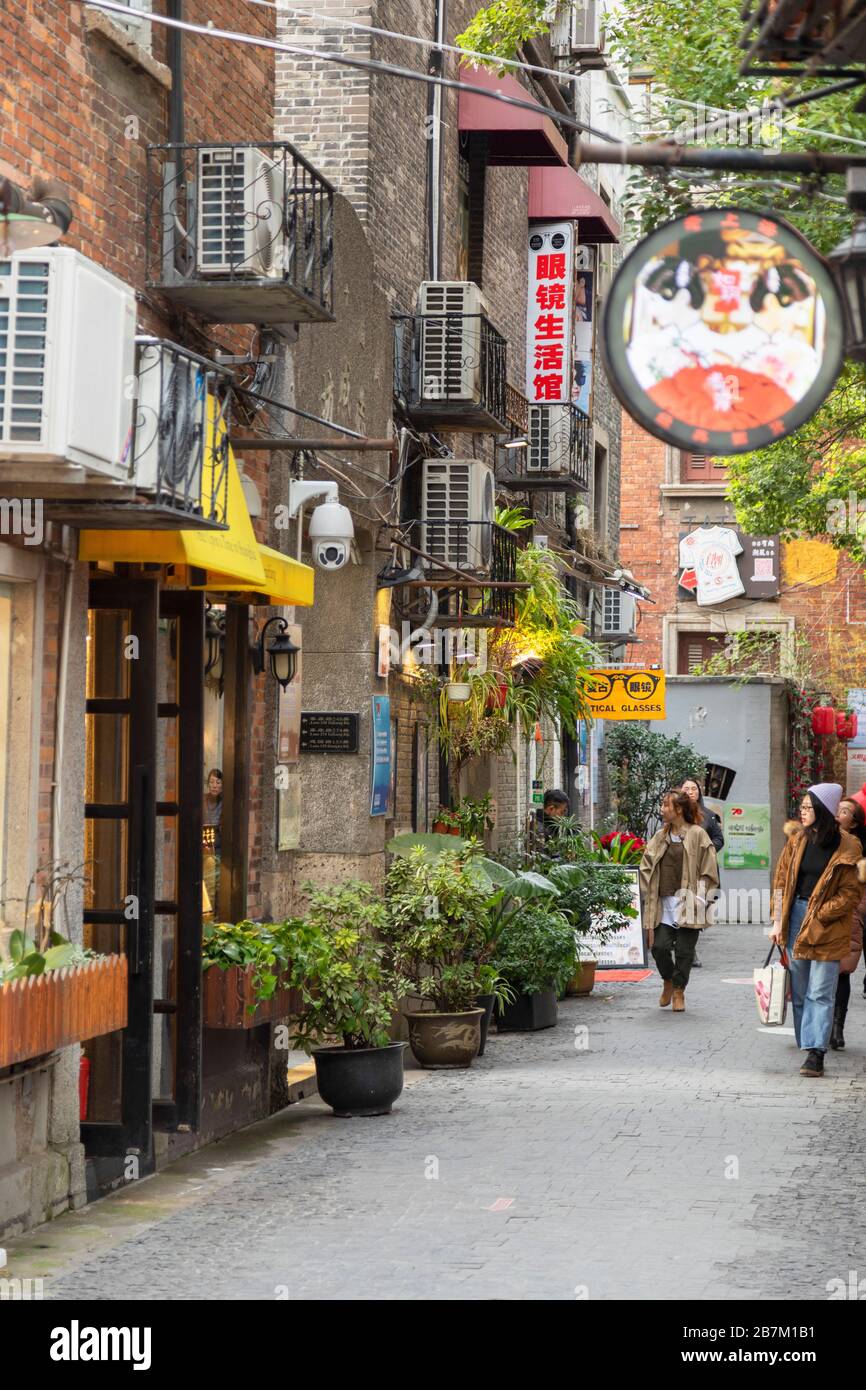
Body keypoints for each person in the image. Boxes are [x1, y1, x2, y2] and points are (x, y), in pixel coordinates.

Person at [770, 784, 862, 1077]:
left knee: (820, 991)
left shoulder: (848, 845)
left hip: (829, 924)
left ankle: (815, 1053)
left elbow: (850, 893)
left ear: (822, 810)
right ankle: (808, 1041)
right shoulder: (797, 840)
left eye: (808, 807)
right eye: (803, 806)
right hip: (795, 916)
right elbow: (782, 881)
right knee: (799, 990)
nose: (802, 811)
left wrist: (821, 913)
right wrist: (777, 921)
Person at [639, 789, 719, 1013]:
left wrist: (702, 897)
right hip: (663, 903)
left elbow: (709, 868)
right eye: (663, 805)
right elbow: (646, 865)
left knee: (685, 951)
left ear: (679, 809)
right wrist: (645, 890)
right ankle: (668, 980)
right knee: (659, 948)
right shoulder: (660, 836)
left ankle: (678, 990)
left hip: (690, 903)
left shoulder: (697, 835)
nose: (662, 809)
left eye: (666, 805)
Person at [830, 798, 866, 1045]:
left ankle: (836, 1028)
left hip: (856, 911)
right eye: (836, 809)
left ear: (853, 823)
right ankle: (829, 1027)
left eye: (844, 811)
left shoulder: (859, 846)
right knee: (834, 971)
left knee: (844, 971)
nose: (837, 814)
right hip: (836, 913)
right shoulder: (823, 840)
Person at [680, 777, 725, 969]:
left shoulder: (708, 816)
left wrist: (706, 850)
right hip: (679, 870)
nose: (690, 791)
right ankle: (684, 949)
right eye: (686, 788)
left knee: (697, 910)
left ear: (699, 792)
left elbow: (719, 839)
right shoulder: (674, 814)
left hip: (702, 871)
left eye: (694, 788)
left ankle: (690, 950)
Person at [203, 768, 223, 917]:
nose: (214, 785)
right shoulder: (203, 799)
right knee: (206, 881)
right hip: (204, 845)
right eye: (211, 782)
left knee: (215, 883)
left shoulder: (225, 802)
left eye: (217, 782)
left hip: (218, 846)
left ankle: (214, 914)